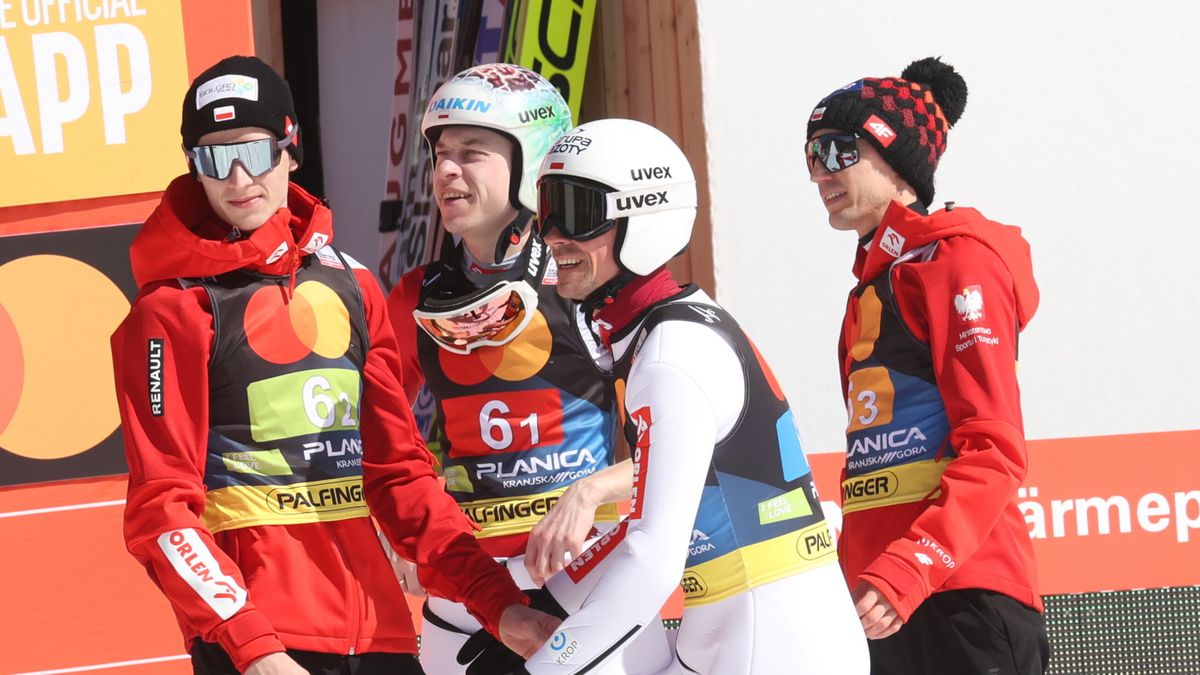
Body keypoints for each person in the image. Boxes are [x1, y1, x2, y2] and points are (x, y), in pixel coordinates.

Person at [110, 55, 554, 675]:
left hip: (381, 637)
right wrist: (252, 645)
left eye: (256, 150)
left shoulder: (353, 284)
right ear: (194, 169)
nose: (238, 177)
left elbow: (400, 477)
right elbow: (161, 511)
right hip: (264, 642)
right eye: (214, 157)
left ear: (291, 150)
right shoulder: (173, 311)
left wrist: (498, 603)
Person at [519, 118, 870, 674]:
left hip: (768, 634)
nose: (553, 234)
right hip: (747, 623)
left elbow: (652, 557)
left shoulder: (670, 352)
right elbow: (648, 525)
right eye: (546, 209)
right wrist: (532, 602)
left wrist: (548, 663)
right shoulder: (665, 330)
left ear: (644, 219)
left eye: (577, 213)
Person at [386, 64, 672, 674]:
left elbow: (693, 438)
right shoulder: (415, 296)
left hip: (587, 579)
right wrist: (402, 537)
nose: (445, 170)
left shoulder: (591, 283)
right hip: (465, 593)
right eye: (439, 153)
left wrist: (592, 490)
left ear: (531, 162)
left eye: (471, 153)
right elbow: (382, 444)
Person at [805, 57, 1051, 673]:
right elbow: (878, 463)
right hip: (881, 597)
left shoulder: (956, 262)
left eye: (839, 152)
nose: (819, 173)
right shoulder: (872, 283)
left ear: (899, 163)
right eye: (811, 157)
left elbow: (994, 449)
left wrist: (911, 565)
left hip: (959, 592)